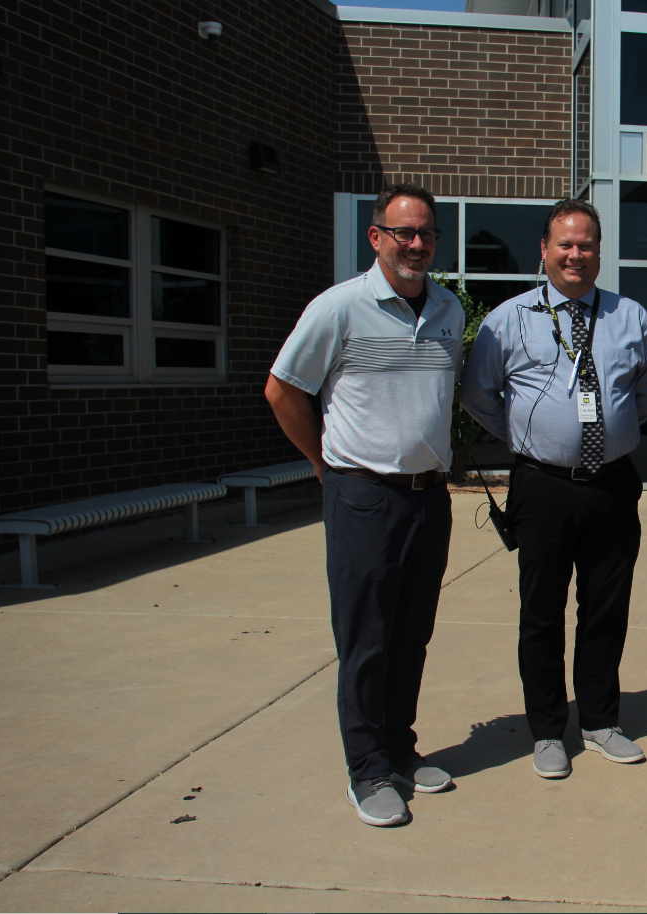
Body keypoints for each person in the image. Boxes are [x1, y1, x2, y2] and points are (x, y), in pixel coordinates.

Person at [265, 183, 464, 827]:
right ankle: (367, 769)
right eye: (403, 231)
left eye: (426, 232)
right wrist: (325, 464)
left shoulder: (448, 310)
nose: (416, 243)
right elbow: (282, 389)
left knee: (412, 633)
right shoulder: (340, 308)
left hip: (429, 498)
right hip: (364, 496)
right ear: (375, 237)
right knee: (366, 637)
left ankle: (400, 750)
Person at [461, 199, 647, 780]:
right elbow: (481, 396)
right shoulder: (509, 319)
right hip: (542, 486)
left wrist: (608, 430)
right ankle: (548, 729)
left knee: (606, 608)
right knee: (542, 612)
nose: (576, 254)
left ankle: (601, 720)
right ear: (544, 251)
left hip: (612, 485)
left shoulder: (631, 317)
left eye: (587, 245)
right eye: (565, 244)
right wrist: (531, 435)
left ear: (600, 252)